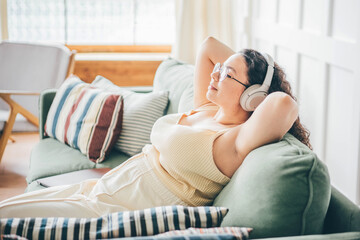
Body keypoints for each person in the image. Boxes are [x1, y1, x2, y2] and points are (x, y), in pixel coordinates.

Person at [0, 37, 310, 218]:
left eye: (226, 74)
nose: (215, 75)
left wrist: (262, 80)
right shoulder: (206, 108)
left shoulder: (232, 142)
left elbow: (283, 104)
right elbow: (208, 47)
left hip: (112, 209)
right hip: (98, 189)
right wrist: (243, 62)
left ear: (252, 97)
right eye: (219, 69)